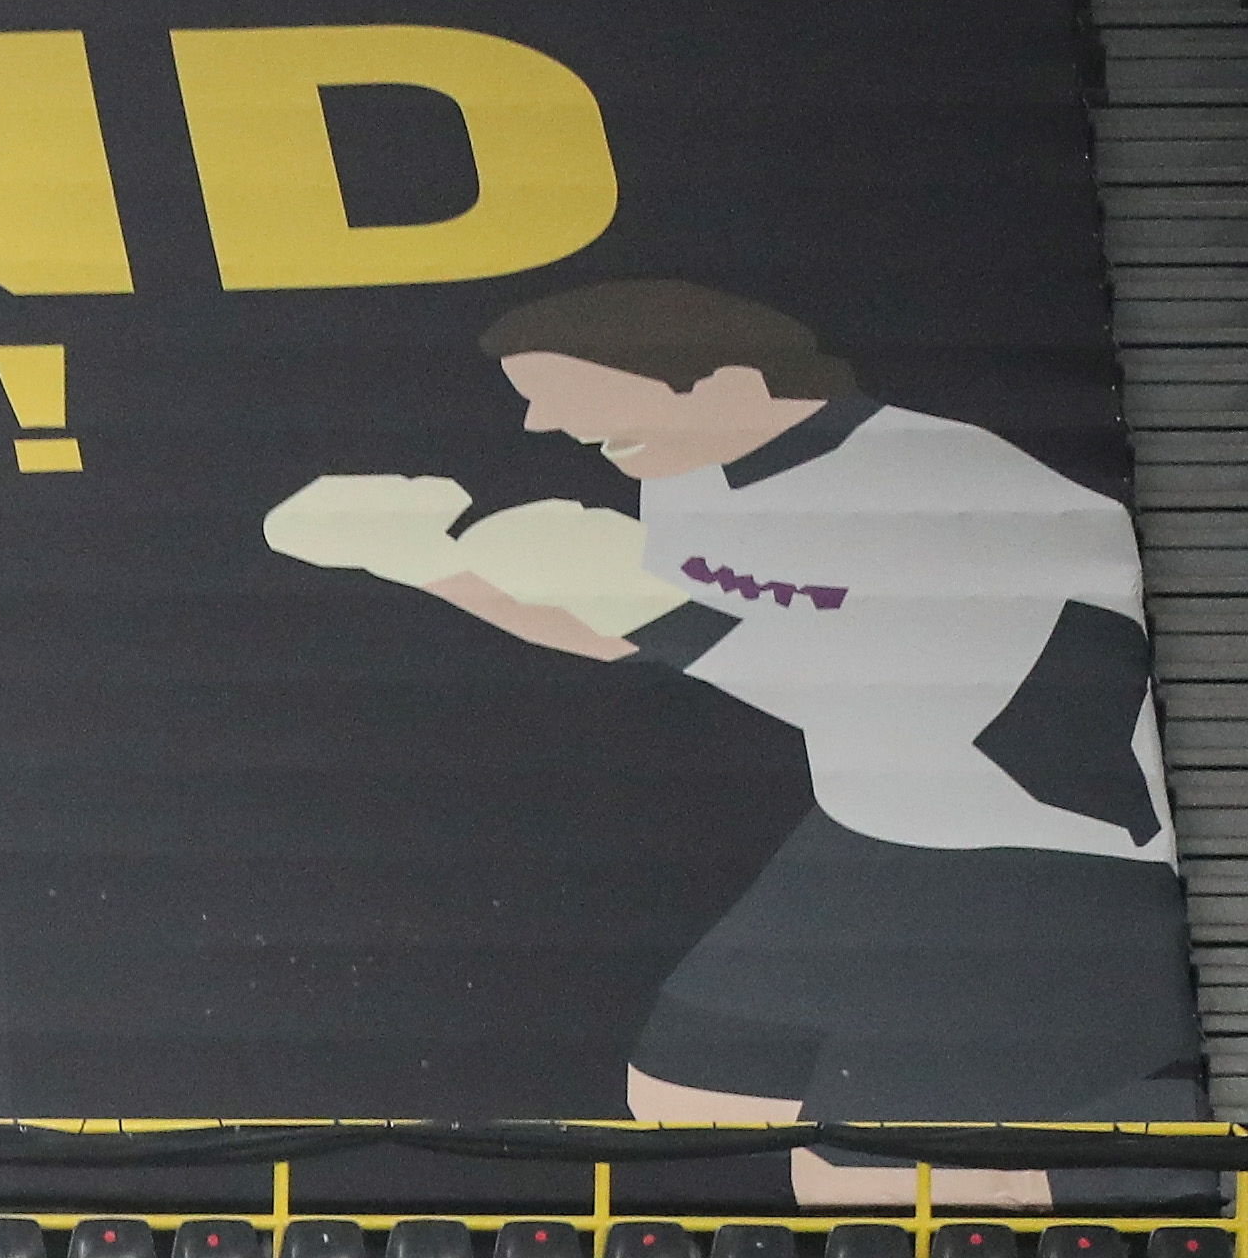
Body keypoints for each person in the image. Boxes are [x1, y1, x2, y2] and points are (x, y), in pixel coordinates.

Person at [268, 278, 1198, 1199]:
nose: (541, 427)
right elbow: (618, 629)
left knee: (868, 1185)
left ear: (728, 383)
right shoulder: (690, 470)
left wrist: (653, 606)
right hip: (874, 833)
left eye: (568, 392)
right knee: (687, 1098)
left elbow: (913, 685)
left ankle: (1145, 1176)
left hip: (1048, 863)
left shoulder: (942, 485)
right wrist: (432, 560)